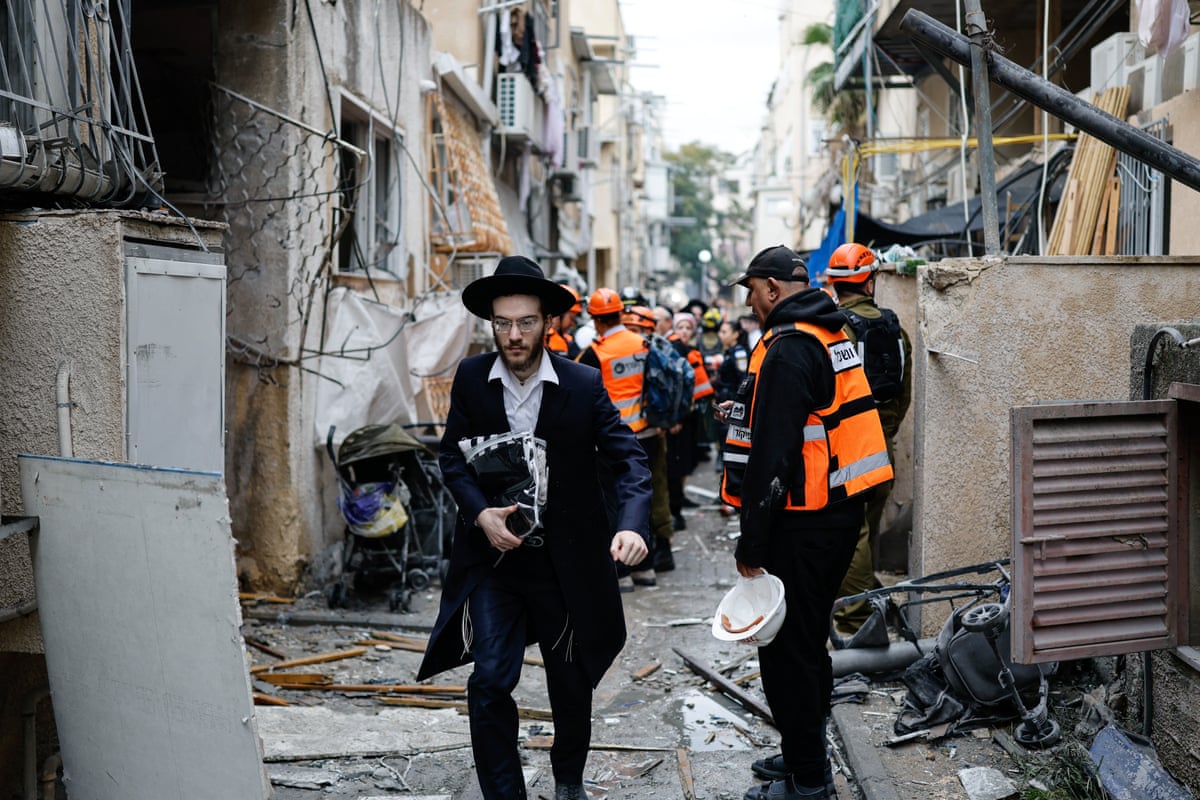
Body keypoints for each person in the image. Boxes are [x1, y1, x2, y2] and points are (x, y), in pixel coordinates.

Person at [417, 256, 652, 800]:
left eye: (525, 322)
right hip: (497, 562)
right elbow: (452, 458)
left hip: (565, 563)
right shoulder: (473, 378)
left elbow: (631, 461)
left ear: (548, 322)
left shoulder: (583, 383)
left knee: (570, 685)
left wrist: (634, 525)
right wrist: (480, 513)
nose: (514, 334)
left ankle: (568, 781)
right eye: (503, 323)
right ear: (491, 324)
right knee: (489, 680)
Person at [717, 245, 893, 800]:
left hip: (803, 521)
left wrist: (752, 541)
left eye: (751, 290)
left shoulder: (791, 348)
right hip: (836, 515)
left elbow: (775, 457)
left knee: (786, 654)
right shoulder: (828, 332)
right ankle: (802, 752)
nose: (748, 301)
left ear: (772, 289)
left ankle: (808, 781)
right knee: (806, 642)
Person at [826, 243, 913, 634]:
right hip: (883, 447)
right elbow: (903, 393)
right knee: (868, 529)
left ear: (833, 283)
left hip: (847, 448)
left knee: (851, 532)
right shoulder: (896, 329)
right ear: (870, 281)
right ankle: (861, 600)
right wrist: (886, 432)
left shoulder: (831, 331)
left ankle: (853, 616)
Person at [576, 287, 660, 588]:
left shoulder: (594, 353)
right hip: (647, 432)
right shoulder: (644, 343)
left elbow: (582, 398)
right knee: (640, 497)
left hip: (612, 438)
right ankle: (645, 568)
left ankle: (621, 573)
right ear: (621, 313)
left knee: (613, 502)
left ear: (596, 321)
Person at [545, 285, 582, 359]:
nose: (572, 324)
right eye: (572, 318)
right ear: (559, 314)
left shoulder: (569, 341)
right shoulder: (543, 340)